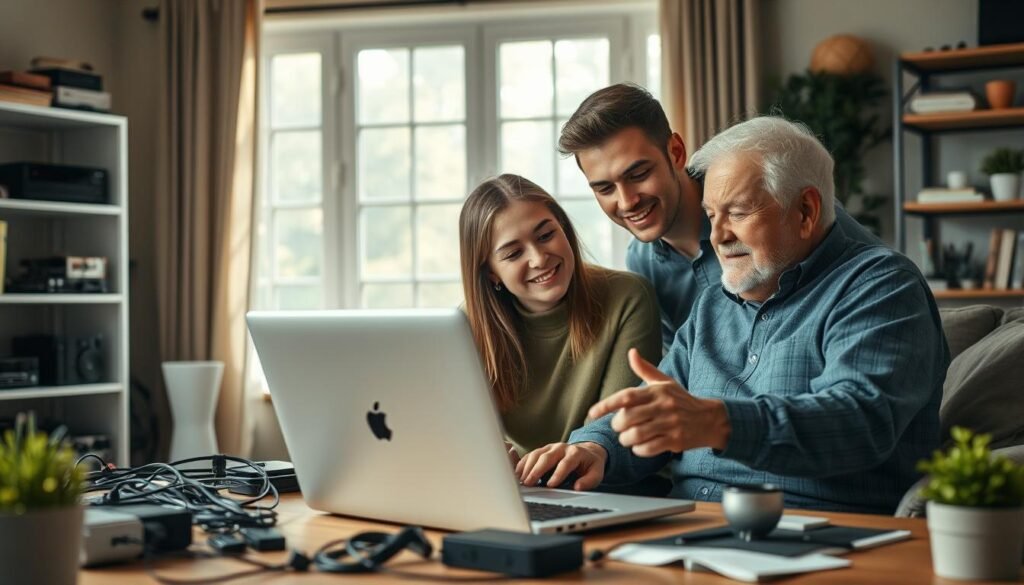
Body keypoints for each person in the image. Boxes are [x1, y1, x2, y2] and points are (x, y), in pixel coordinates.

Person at [515, 117, 949, 514]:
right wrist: (596, 447)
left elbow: (859, 421)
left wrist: (716, 422)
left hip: (812, 525)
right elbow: (660, 407)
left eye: (738, 213)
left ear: (805, 212)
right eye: (710, 215)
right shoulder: (712, 305)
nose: (718, 236)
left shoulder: (880, 286)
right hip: (685, 522)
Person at [557, 83, 884, 348]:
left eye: (638, 174)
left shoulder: (763, 197)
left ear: (675, 152)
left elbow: (878, 276)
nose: (626, 201)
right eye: (604, 188)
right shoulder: (643, 262)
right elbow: (682, 368)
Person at [459, 174, 661, 463]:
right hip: (516, 489)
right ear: (491, 272)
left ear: (564, 229)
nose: (539, 258)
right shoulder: (465, 326)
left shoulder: (628, 298)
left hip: (603, 486)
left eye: (545, 236)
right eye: (514, 253)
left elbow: (617, 428)